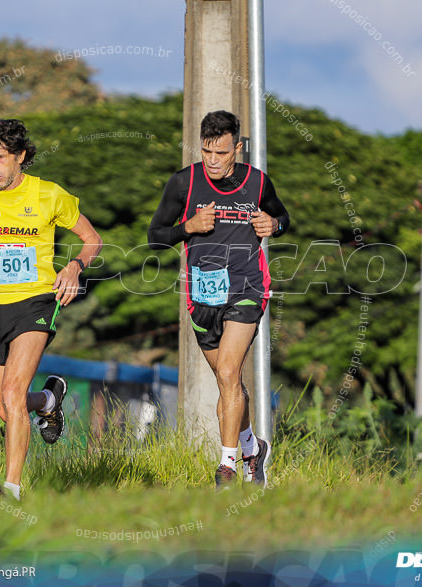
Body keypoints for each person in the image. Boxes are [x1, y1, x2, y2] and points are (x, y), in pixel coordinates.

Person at [0, 119, 103, 500]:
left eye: (0, 158)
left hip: (35, 302)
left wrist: (74, 267)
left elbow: (91, 239)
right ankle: (49, 401)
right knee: (9, 408)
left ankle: (11, 488)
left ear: (20, 156)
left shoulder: (49, 195)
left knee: (14, 392)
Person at [147, 110, 289, 490]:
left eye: (221, 152)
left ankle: (227, 466)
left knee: (228, 373)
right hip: (202, 297)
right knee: (230, 387)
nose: (212, 160)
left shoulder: (257, 183)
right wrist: (187, 228)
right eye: (207, 151)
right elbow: (155, 236)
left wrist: (273, 225)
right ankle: (252, 447)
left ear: (237, 148)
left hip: (247, 289)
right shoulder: (184, 183)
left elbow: (282, 215)